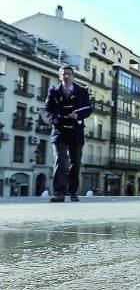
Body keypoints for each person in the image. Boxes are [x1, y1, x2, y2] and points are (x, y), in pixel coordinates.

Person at [42, 65, 92, 202]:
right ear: (59, 76)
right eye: (63, 74)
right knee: (60, 160)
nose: (66, 76)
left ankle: (73, 192)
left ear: (73, 76)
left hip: (76, 132)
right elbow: (46, 110)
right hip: (60, 131)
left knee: (75, 163)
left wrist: (78, 115)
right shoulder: (53, 91)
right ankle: (59, 193)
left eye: (69, 73)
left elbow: (89, 109)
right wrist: (54, 120)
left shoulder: (82, 91)